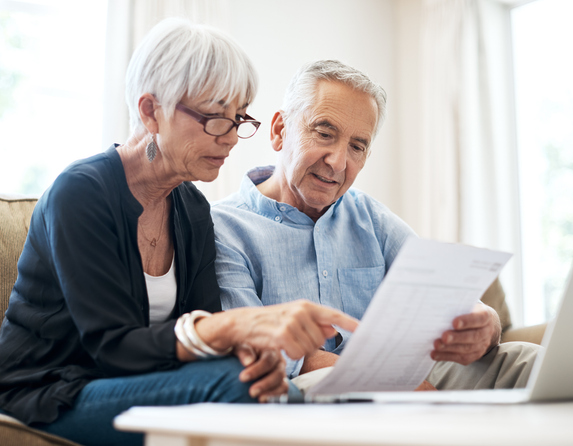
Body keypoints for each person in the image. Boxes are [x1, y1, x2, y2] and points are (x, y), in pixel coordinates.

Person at [0, 23, 358, 446]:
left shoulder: (193, 209)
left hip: (136, 386)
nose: (232, 138)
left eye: (238, 118)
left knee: (274, 390)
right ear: (149, 110)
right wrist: (235, 329)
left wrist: (256, 357)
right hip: (44, 397)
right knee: (232, 387)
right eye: (215, 118)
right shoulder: (81, 193)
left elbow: (206, 330)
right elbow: (112, 346)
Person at [212, 60, 539, 391]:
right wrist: (395, 386)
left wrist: (486, 322)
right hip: (299, 385)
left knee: (526, 360)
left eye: (357, 146)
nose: (338, 162)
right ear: (280, 131)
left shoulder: (370, 217)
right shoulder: (224, 227)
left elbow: (446, 295)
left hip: (401, 376)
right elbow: (254, 345)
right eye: (324, 133)